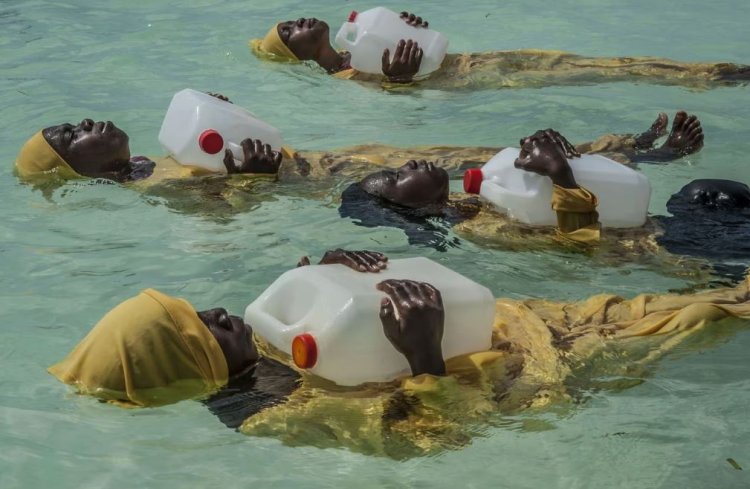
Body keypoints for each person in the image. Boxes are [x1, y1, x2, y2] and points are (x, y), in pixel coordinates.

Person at [48, 249, 750, 458]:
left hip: (519, 323)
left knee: (688, 300)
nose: (220, 311)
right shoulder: (272, 412)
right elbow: (431, 438)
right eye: (200, 327)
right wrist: (421, 353)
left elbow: (338, 323)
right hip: (533, 375)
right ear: (190, 367)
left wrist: (341, 268)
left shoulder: (255, 342)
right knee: (701, 316)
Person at [339, 111, 704, 251]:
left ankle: (647, 151)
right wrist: (560, 174)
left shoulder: (479, 196)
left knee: (699, 195)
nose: (411, 163)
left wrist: (552, 153)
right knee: (706, 195)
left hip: (646, 225)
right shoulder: (476, 229)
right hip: (663, 249)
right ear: (408, 207)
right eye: (398, 176)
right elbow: (578, 245)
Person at [251, 12, 750, 90]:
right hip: (472, 83)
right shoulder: (345, 79)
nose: (298, 22)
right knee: (595, 75)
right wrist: (398, 84)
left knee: (595, 64)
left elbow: (428, 48)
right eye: (288, 31)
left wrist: (415, 26)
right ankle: (716, 76)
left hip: (474, 63)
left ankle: (716, 72)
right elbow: (402, 109)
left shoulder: (351, 44)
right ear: (294, 55)